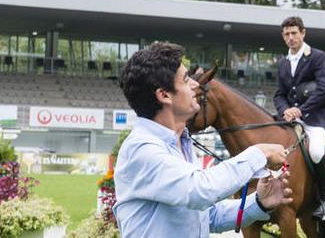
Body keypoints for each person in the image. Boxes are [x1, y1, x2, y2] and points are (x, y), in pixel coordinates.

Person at [113, 42, 293, 238]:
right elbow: (200, 189)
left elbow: (207, 217)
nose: (195, 84)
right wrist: (260, 153)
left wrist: (258, 203)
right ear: (164, 95)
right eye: (185, 79)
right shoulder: (141, 148)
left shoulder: (182, 143)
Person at [273, 16, 325, 221]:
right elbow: (279, 94)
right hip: (289, 120)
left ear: (303, 33)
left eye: (294, 33)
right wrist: (286, 111)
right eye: (286, 34)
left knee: (316, 152)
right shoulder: (282, 63)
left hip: (314, 119)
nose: (290, 38)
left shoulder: (318, 57)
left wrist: (300, 110)